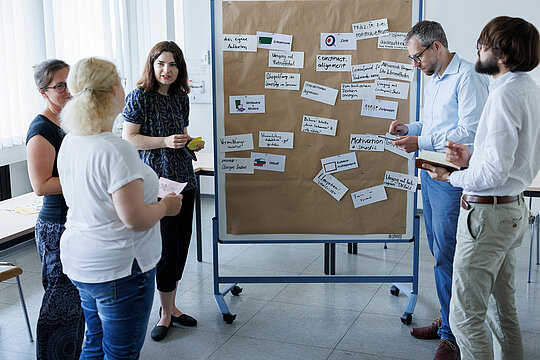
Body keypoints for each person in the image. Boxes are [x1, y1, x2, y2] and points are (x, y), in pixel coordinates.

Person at [423, 16, 540, 360]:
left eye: (483, 44)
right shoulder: (526, 88)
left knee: (463, 317)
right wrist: (471, 153)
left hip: (488, 215)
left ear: (501, 53)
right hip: (511, 211)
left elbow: (492, 173)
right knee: (501, 312)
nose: (477, 49)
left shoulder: (504, 96)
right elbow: (512, 153)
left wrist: (450, 176)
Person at [57, 57, 183, 359]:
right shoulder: (116, 150)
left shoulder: (72, 141)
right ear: (114, 90)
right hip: (121, 268)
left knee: (94, 344)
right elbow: (136, 219)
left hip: (82, 263)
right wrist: (166, 207)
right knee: (121, 353)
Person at [388, 21, 489, 360]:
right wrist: (410, 128)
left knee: (450, 256)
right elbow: (435, 125)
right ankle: (448, 321)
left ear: (436, 47)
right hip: (431, 174)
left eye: (417, 57)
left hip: (452, 178)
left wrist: (421, 140)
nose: (414, 64)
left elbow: (469, 131)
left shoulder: (468, 76)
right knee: (439, 253)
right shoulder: (435, 78)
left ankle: (454, 337)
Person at [122, 40, 203, 341]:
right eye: (161, 64)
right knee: (166, 249)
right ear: (152, 65)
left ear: (179, 69)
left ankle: (172, 306)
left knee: (181, 246)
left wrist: (187, 141)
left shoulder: (182, 99)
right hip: (156, 183)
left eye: (172, 65)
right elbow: (129, 138)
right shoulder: (139, 97)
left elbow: (179, 134)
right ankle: (165, 313)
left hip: (185, 179)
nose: (166, 70)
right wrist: (165, 142)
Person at [26, 59, 85, 359]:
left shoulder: (70, 121)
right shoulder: (41, 130)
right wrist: (85, 176)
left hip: (75, 221)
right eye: (60, 86)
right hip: (55, 228)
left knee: (76, 305)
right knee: (59, 307)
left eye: (70, 83)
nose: (67, 90)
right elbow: (41, 185)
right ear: (43, 92)